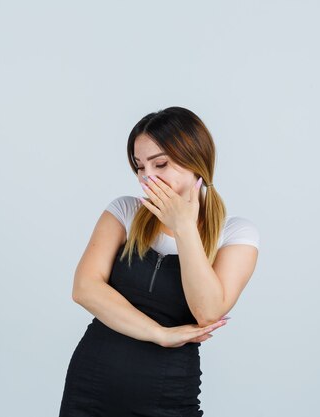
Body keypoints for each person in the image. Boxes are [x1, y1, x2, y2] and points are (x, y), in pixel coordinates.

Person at [58, 106, 260, 417]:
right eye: (139, 167)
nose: (147, 177)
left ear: (197, 161)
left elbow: (206, 312)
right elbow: (84, 288)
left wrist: (184, 229)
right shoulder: (124, 212)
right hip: (91, 384)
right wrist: (160, 333)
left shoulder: (235, 234)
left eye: (160, 163)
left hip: (168, 395)